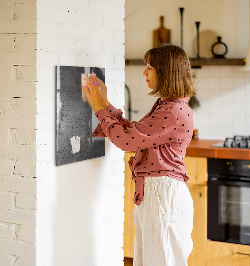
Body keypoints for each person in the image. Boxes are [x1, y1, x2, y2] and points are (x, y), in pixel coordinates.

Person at [83, 44, 195, 266]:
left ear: (166, 72)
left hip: (163, 197)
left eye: (150, 67)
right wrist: (104, 103)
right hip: (158, 195)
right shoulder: (168, 106)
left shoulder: (172, 111)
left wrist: (98, 108)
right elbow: (134, 133)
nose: (145, 73)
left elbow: (126, 141)